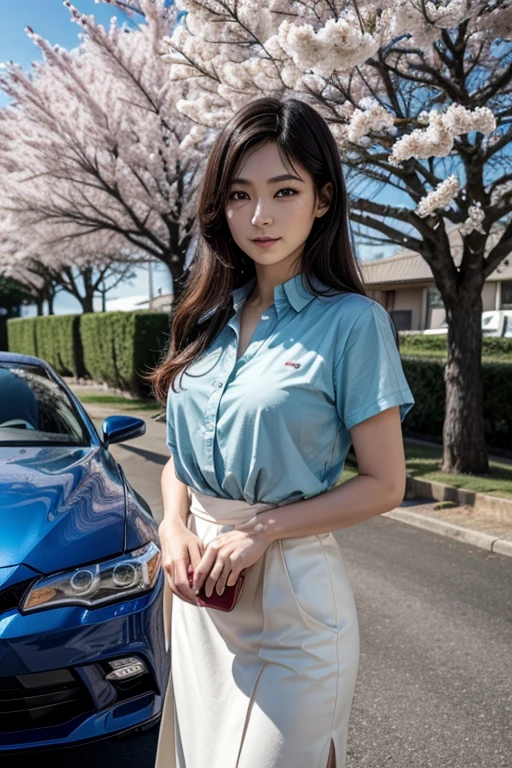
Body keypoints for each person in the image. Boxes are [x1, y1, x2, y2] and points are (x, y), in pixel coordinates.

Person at [150, 96, 415, 768]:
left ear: (322, 200)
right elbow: (180, 459)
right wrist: (172, 527)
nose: (260, 215)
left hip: (294, 606)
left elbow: (386, 484)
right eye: (240, 195)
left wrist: (261, 530)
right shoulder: (203, 321)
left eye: (284, 190)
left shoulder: (353, 322)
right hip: (202, 604)